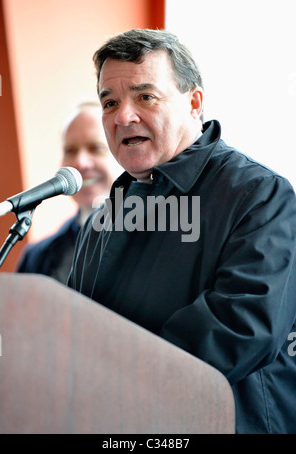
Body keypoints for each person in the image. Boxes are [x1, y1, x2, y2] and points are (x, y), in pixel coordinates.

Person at [67, 29, 296, 434]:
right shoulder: (104, 219)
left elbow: (243, 328)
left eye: (145, 97)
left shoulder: (258, 195)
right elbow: (75, 334)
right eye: (110, 102)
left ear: (194, 104)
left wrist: (118, 383)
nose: (123, 116)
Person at [16, 101, 116, 284]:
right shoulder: (36, 259)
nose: (81, 163)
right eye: (70, 150)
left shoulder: (158, 237)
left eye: (96, 148)